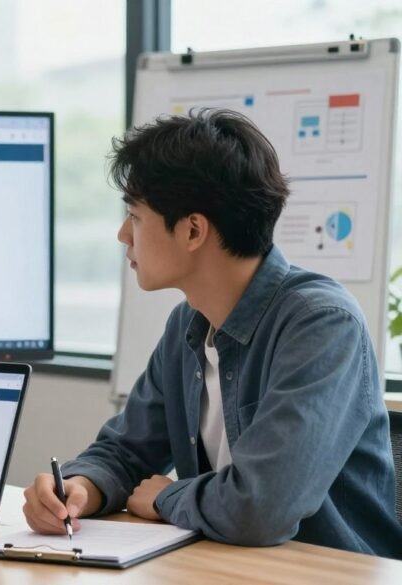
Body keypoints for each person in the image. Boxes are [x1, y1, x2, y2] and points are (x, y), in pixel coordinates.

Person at [23, 109, 402, 559]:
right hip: (229, 567)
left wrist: (167, 497)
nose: (123, 233)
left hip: (327, 573)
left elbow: (261, 506)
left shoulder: (321, 325)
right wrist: (78, 487)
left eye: (136, 216)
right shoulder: (188, 323)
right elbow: (125, 452)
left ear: (193, 230)